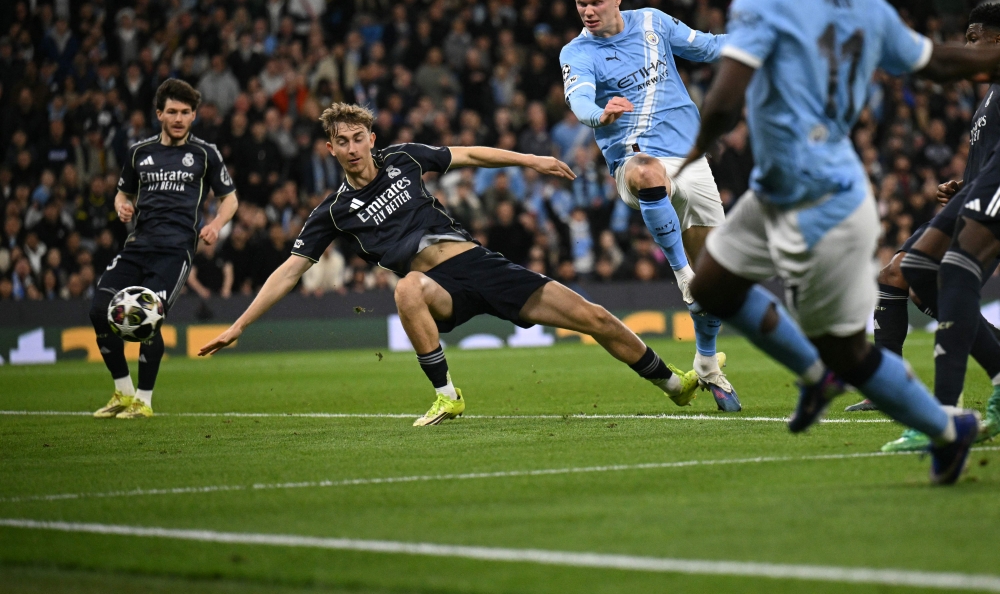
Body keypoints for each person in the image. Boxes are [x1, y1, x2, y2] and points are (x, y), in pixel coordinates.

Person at [677, 0, 1000, 484]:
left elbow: (727, 100)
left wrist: (694, 150)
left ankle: (947, 427)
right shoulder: (868, 7)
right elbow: (943, 63)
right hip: (780, 188)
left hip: (821, 195)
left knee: (850, 351)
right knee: (710, 285)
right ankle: (817, 374)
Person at [200, 103, 704, 426]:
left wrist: (530, 161)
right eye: (342, 142)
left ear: (370, 138)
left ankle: (673, 384)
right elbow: (290, 270)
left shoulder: (406, 159)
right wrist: (240, 324)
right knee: (407, 290)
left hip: (481, 266)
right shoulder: (333, 212)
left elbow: (470, 155)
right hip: (437, 288)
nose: (352, 149)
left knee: (593, 317)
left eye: (358, 138)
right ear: (329, 148)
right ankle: (447, 395)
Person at [559, 0, 737, 411]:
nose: (588, 12)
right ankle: (682, 278)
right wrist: (600, 114)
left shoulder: (655, 23)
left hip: (690, 157)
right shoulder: (577, 53)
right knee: (646, 171)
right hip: (632, 160)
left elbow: (710, 47)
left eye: (596, 2)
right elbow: (579, 99)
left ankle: (707, 362)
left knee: (715, 275)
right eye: (581, 5)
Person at [852, 5, 1000, 455]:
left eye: (975, 38)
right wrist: (968, 183)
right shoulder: (989, 94)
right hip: (980, 186)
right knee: (910, 268)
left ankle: (941, 415)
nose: (968, 47)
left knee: (953, 271)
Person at [91, 78, 239, 419]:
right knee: (99, 310)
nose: (178, 118)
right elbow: (122, 192)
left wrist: (215, 225)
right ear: (159, 114)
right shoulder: (139, 152)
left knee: (149, 317)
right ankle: (123, 391)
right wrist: (121, 205)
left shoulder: (205, 153)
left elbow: (229, 199)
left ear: (193, 116)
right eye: (172, 111)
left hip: (176, 250)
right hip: (138, 244)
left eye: (186, 112)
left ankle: (144, 400)